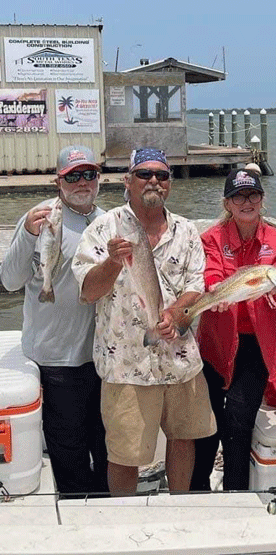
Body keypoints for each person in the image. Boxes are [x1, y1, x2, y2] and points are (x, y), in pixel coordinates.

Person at [72, 147, 216, 496]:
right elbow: (88, 291)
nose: (154, 181)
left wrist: (173, 315)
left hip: (180, 361)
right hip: (126, 365)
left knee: (184, 439)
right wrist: (111, 262)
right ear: (127, 181)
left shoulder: (186, 230)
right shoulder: (103, 228)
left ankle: (179, 506)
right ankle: (126, 523)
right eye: (144, 174)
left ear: (169, 183)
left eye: (162, 175)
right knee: (124, 455)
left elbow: (197, 285)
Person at [0, 145, 108, 496]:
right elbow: (11, 280)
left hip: (103, 357)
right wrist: (29, 235)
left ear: (99, 178)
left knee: (106, 440)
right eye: (72, 176)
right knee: (68, 445)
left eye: (88, 174)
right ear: (58, 181)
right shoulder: (39, 217)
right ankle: (77, 504)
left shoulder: (109, 220)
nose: (82, 182)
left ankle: (107, 502)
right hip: (56, 358)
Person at [189, 169, 276, 491]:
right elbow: (212, 273)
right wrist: (216, 289)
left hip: (255, 345)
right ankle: (197, 491)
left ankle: (235, 493)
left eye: (253, 195)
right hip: (216, 341)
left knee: (238, 420)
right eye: (238, 196)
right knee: (207, 425)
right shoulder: (211, 238)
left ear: (262, 200)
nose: (246, 202)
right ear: (228, 203)